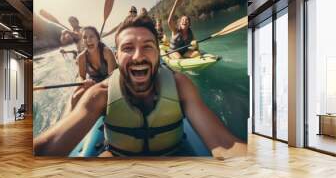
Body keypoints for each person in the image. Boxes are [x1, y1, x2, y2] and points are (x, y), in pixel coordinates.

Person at [34, 15, 246, 158]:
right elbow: (50, 144)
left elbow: (224, 143)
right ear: (116, 57)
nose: (138, 56)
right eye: (127, 48)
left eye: (147, 46)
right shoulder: (99, 94)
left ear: (158, 53)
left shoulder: (180, 84)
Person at [70, 26, 116, 111]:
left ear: (98, 39)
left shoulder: (107, 52)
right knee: (75, 97)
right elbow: (81, 76)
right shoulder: (81, 58)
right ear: (82, 41)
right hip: (93, 82)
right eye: (85, 37)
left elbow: (112, 78)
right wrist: (84, 82)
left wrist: (95, 87)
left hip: (109, 82)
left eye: (91, 36)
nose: (88, 40)